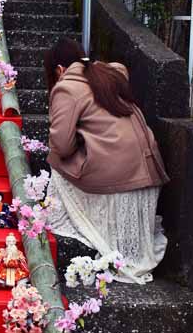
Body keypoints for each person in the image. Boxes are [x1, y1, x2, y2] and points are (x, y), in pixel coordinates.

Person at [44, 38, 169, 284]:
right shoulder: (110, 74)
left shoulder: (67, 87)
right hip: (148, 173)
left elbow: (61, 146)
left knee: (55, 160)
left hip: (118, 180)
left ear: (59, 69)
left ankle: (77, 219)